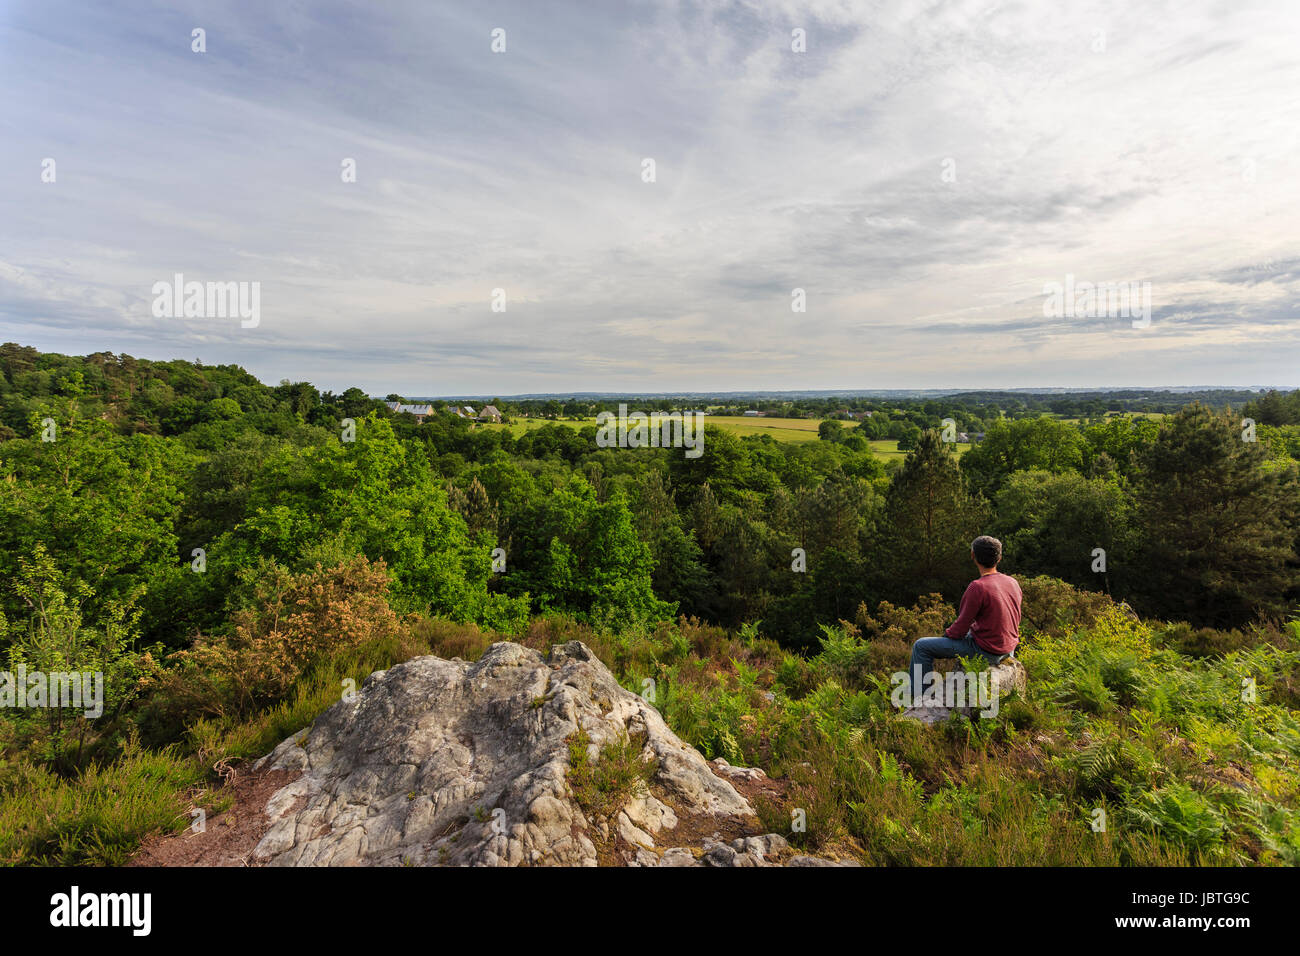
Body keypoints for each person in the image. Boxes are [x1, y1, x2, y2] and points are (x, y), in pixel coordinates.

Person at [907, 535, 1022, 708]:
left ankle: (920, 702)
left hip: (988, 650)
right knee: (969, 633)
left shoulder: (978, 586)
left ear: (972, 556)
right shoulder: (1012, 582)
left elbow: (959, 629)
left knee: (921, 646)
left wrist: (946, 635)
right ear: (999, 558)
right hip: (1009, 648)